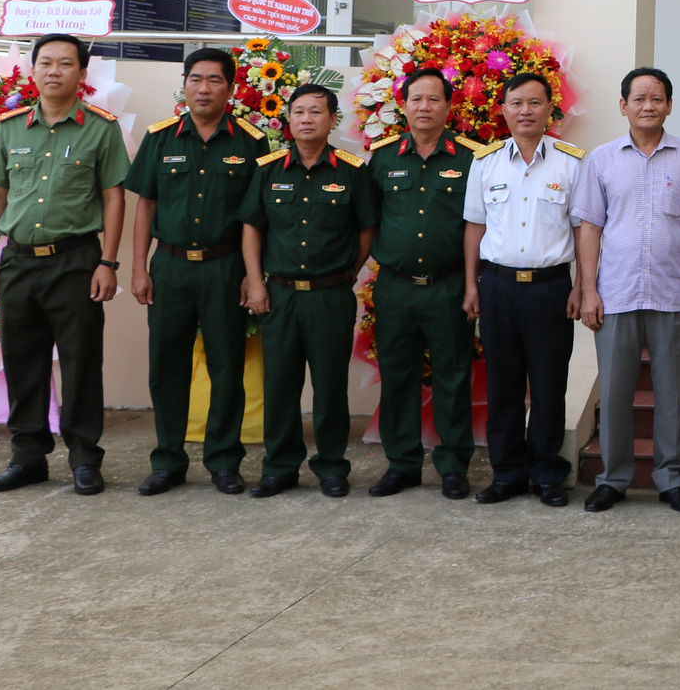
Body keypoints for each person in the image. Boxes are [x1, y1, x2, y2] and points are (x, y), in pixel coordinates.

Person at [0, 33, 130, 496]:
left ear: (82, 74)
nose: (54, 71)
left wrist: (108, 261)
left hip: (76, 261)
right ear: (33, 71)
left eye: (65, 64)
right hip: (18, 262)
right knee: (22, 361)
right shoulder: (9, 127)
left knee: (81, 363)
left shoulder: (101, 128)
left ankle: (85, 459)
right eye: (45, 62)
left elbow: (113, 196)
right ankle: (27, 458)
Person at [573, 67, 680, 514]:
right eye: (639, 99)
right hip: (615, 292)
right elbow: (590, 226)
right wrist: (589, 289)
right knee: (614, 392)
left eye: (657, 98)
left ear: (669, 105)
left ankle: (672, 478)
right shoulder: (601, 159)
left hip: (674, 291)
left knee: (674, 392)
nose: (648, 106)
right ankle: (613, 478)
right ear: (623, 106)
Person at [123, 46, 267, 497]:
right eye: (196, 79)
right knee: (167, 365)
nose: (204, 88)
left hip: (225, 268)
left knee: (227, 365)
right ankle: (168, 461)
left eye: (215, 81)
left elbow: (255, 219)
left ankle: (224, 461)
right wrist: (138, 267)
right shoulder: (161, 137)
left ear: (231, 88)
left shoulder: (251, 142)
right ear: (184, 84)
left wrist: (251, 272)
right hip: (169, 267)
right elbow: (145, 204)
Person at [238, 83, 375, 498]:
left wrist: (350, 271)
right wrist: (256, 282)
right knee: (280, 384)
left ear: (333, 120)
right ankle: (279, 467)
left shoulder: (353, 171)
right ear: (288, 120)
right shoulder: (268, 168)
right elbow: (251, 227)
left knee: (330, 385)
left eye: (316, 112)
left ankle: (332, 467)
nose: (306, 119)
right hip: (278, 294)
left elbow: (367, 227)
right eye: (299, 112)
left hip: (330, 295)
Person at [462, 72, 585, 507]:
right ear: (504, 110)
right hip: (497, 287)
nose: (526, 111)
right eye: (517, 103)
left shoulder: (572, 163)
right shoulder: (486, 162)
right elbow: (475, 227)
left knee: (550, 384)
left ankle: (548, 474)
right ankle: (507, 472)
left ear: (550, 109)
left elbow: (584, 231)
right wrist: (470, 286)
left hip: (551, 289)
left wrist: (583, 286)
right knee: (504, 385)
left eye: (535, 103)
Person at [365, 67, 486, 499]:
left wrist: (475, 283)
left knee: (453, 376)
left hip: (449, 284)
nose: (425, 107)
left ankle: (453, 466)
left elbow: (482, 223)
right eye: (417, 99)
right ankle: (402, 464)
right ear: (403, 104)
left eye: (434, 99)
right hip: (395, 286)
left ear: (449, 106)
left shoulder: (472, 158)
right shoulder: (381, 158)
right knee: (398, 376)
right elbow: (369, 221)